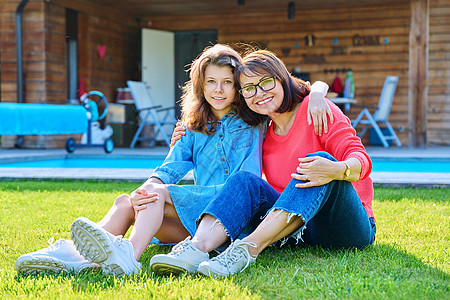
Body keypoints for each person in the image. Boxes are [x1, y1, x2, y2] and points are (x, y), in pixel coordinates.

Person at [15, 44, 329, 276]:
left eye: (227, 82)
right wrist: (149, 186)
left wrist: (317, 93)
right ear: (200, 86)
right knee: (128, 201)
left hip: (231, 216)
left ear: (238, 87)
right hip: (195, 220)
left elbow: (296, 85)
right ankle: (75, 257)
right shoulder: (192, 128)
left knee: (156, 195)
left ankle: (130, 256)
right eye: (211, 82)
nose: (218, 90)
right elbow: (170, 168)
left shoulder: (256, 120)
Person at [150, 49, 376, 277]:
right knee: (244, 180)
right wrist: (186, 130)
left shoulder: (316, 110)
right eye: (249, 88)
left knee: (319, 162)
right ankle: (196, 249)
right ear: (242, 96)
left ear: (282, 79)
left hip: (345, 226)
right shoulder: (263, 132)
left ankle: (245, 250)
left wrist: (336, 169)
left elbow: (361, 159)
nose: (259, 93)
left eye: (266, 82)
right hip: (298, 228)